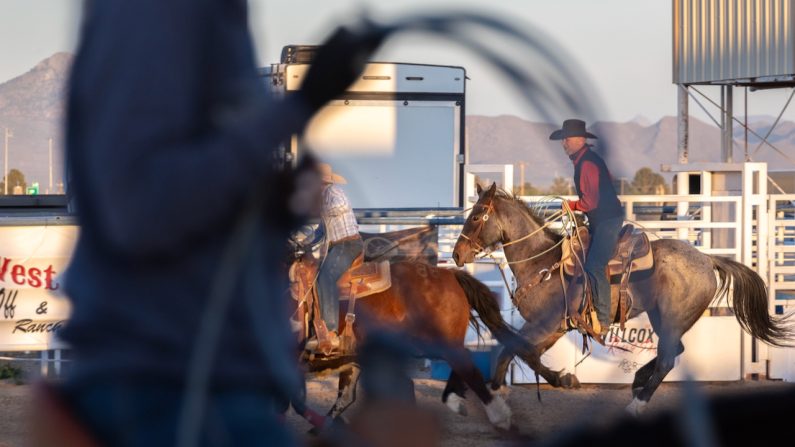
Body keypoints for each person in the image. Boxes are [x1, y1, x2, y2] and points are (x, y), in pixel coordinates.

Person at [59, 1, 382, 445]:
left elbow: (189, 193)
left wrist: (275, 206)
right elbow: (140, 210)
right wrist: (300, 104)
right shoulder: (159, 14)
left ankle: (325, 338)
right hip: (169, 381)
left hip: (197, 373)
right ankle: (324, 335)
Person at [549, 119, 623, 338]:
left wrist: (570, 205)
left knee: (594, 265)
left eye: (567, 139)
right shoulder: (588, 160)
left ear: (580, 140)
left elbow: (590, 202)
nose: (564, 143)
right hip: (603, 219)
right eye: (563, 139)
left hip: (607, 220)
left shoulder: (587, 163)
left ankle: (603, 319)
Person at [308, 164, 363, 354]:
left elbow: (341, 206)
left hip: (348, 244)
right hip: (340, 245)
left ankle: (331, 331)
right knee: (318, 276)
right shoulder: (325, 197)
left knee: (326, 277)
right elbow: (322, 231)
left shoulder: (333, 192)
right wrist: (305, 244)